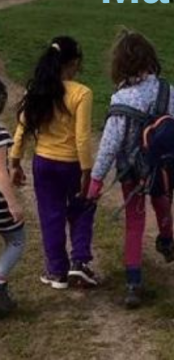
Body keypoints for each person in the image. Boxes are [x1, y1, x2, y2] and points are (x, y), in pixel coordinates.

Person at [87, 30, 174, 309]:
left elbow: (110, 144)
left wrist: (97, 179)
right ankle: (167, 239)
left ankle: (133, 282)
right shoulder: (170, 92)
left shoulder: (122, 99)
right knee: (162, 203)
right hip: (164, 167)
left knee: (134, 223)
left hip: (132, 172)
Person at [10, 36, 98, 289]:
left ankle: (56, 271)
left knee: (51, 215)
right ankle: (79, 262)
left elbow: (22, 128)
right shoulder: (82, 93)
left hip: (43, 163)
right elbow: (82, 137)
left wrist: (15, 162)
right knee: (82, 208)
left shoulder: (37, 89)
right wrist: (86, 169)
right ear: (74, 63)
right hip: (71, 164)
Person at [0, 79, 26, 315]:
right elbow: (0, 172)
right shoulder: (0, 133)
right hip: (0, 205)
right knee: (17, 239)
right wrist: (13, 203)